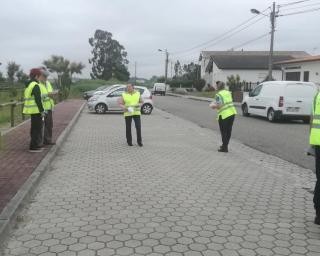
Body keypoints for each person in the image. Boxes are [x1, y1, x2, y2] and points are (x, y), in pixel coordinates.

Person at [23, 68, 47, 152]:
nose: (41, 78)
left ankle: (34, 145)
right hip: (36, 111)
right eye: (40, 76)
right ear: (36, 76)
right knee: (37, 128)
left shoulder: (29, 85)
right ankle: (33, 147)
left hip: (32, 111)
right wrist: (42, 111)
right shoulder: (35, 85)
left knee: (34, 128)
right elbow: (38, 100)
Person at [210, 81, 237, 152]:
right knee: (229, 131)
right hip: (232, 113)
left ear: (218, 87)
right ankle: (225, 145)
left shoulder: (218, 95)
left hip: (224, 115)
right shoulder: (228, 92)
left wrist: (212, 106)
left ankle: (224, 147)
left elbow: (219, 106)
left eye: (216, 85)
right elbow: (226, 102)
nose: (215, 86)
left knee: (223, 131)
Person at [309, 90, 320, 225]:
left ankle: (318, 213)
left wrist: (311, 143)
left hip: (317, 140)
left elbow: (312, 119)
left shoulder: (317, 95)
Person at [39, 68, 56, 145]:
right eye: (44, 76)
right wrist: (47, 95)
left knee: (49, 125)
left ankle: (48, 140)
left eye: (46, 76)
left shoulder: (48, 83)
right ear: (39, 76)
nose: (45, 78)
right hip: (41, 109)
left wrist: (53, 95)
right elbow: (37, 96)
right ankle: (39, 142)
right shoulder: (37, 84)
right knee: (40, 126)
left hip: (49, 107)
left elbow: (50, 92)